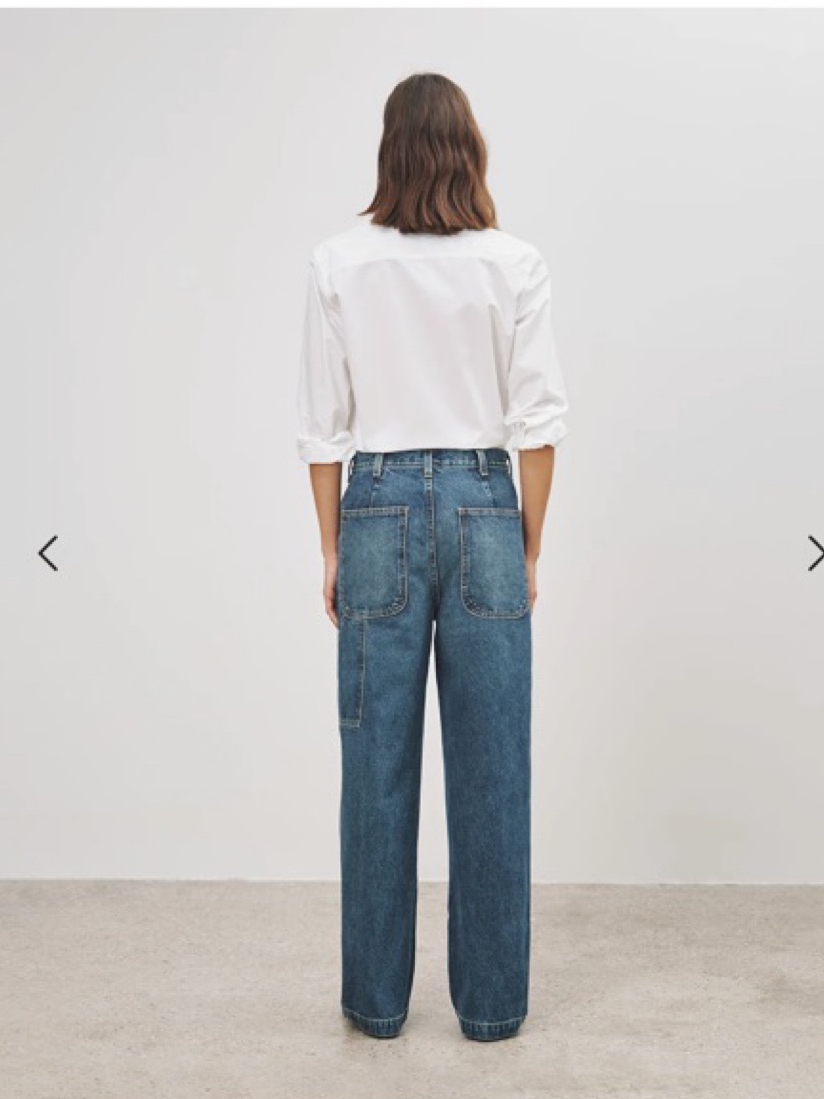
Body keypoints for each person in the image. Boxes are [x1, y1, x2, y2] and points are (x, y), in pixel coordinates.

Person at [296, 72, 569, 1042]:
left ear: (390, 150)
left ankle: (375, 1004)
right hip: (486, 502)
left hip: (375, 508)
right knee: (494, 767)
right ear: (469, 149)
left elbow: (322, 428)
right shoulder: (514, 261)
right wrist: (525, 543)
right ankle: (491, 1007)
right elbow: (539, 421)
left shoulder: (339, 261)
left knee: (374, 764)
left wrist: (332, 548)